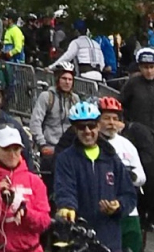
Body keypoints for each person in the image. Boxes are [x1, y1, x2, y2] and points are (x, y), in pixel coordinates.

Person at [53, 102, 137, 252]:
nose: (87, 131)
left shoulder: (112, 159)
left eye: (91, 126)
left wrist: (118, 206)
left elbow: (129, 195)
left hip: (110, 239)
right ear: (74, 128)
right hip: (79, 239)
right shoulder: (65, 159)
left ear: (98, 126)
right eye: (81, 127)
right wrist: (67, 207)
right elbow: (64, 189)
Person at [0, 127, 51, 252]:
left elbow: (44, 222)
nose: (12, 154)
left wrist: (25, 212)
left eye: (16, 149)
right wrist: (3, 206)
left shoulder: (35, 181)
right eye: (7, 149)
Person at [97, 98, 146, 252]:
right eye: (106, 118)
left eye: (115, 119)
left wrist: (131, 177)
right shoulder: (91, 142)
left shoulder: (127, 145)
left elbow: (142, 176)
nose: (111, 122)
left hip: (129, 211)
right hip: (102, 211)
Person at [31, 62, 80, 176]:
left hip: (70, 148)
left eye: (70, 79)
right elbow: (35, 122)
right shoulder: (47, 96)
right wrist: (42, 145)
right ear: (57, 79)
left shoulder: (75, 99)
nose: (67, 82)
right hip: (50, 147)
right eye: (64, 78)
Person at [119, 47, 154, 131]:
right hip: (138, 132)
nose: (149, 71)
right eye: (145, 67)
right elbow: (121, 104)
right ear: (140, 67)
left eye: (152, 67)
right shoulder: (132, 83)